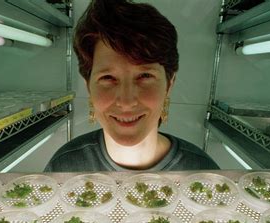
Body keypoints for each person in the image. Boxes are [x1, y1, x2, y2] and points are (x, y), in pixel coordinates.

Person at [45, 0, 218, 172]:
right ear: (89, 87)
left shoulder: (203, 174)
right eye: (108, 77)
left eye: (144, 76)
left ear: (169, 84)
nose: (126, 102)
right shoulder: (63, 168)